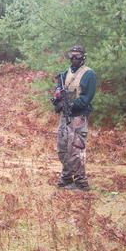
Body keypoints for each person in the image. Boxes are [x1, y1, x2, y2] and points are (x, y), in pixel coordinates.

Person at [55, 45, 97, 191]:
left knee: (76, 150)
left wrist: (71, 104)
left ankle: (81, 182)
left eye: (77, 56)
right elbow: (59, 90)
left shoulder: (89, 74)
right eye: (71, 55)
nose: (74, 59)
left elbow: (86, 98)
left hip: (78, 117)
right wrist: (59, 100)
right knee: (62, 148)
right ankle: (66, 177)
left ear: (83, 57)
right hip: (65, 116)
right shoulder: (65, 73)